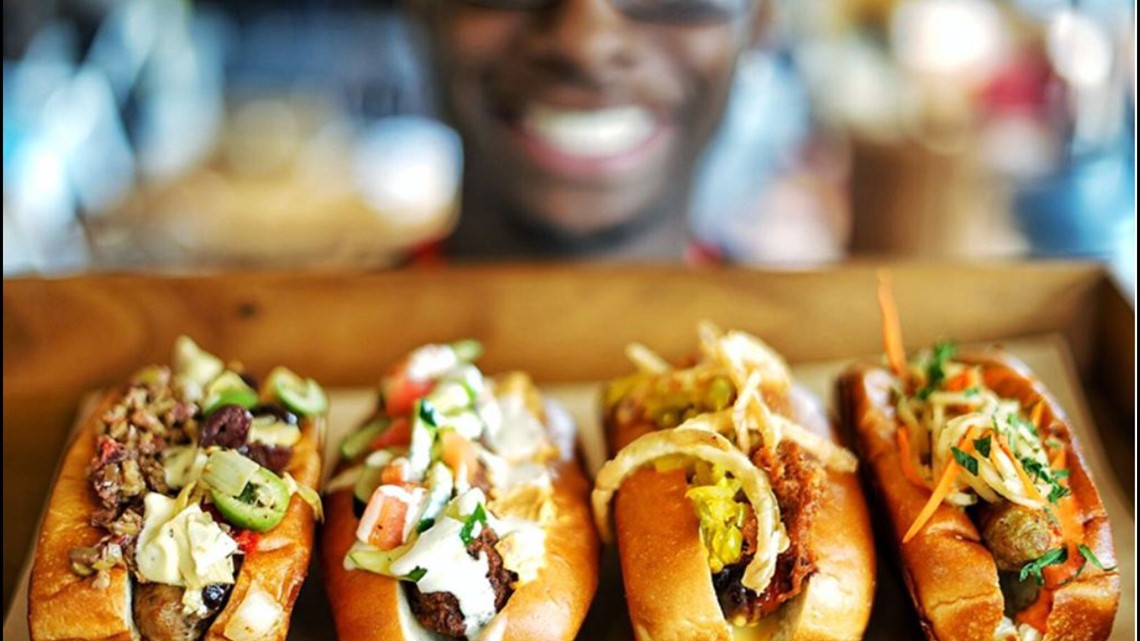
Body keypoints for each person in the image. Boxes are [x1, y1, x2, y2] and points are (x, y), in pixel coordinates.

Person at [405, 0, 770, 260]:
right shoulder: (365, 329)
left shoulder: (799, 337)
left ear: (761, 18)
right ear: (419, 6)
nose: (586, 44)